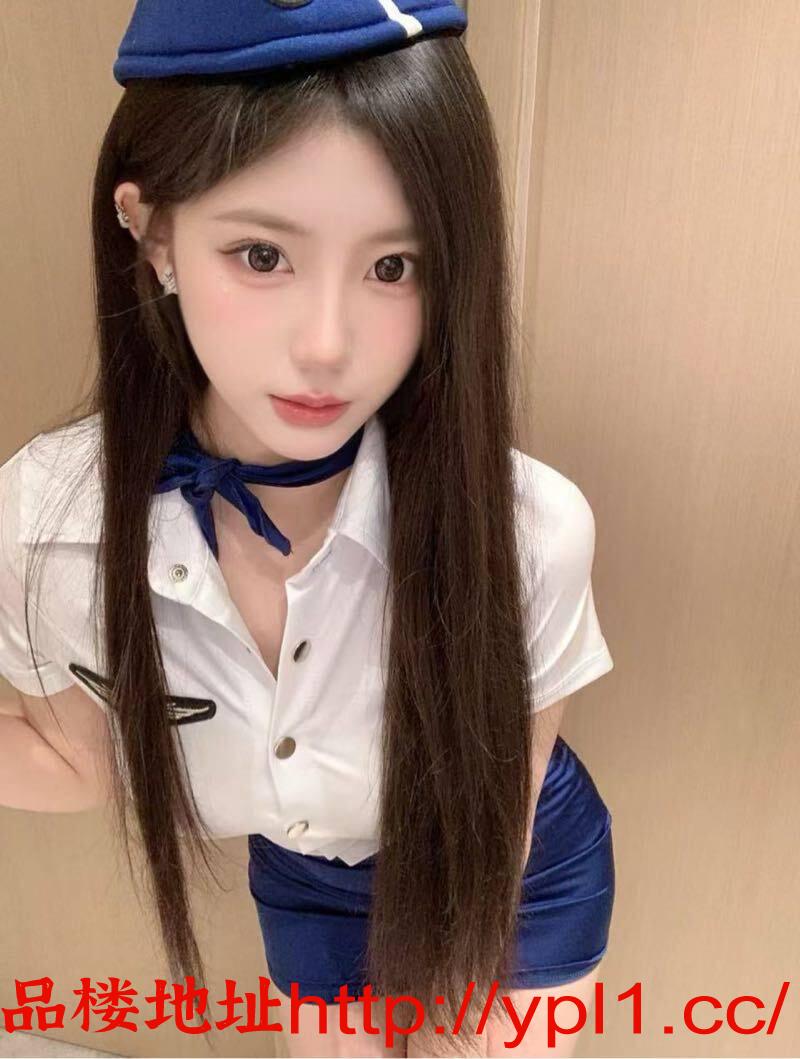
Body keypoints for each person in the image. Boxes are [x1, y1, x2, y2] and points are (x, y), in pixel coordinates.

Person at [0, 2, 616, 1055]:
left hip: (504, 867)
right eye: (261, 254)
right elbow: (78, 759)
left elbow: (506, 790)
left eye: (394, 267)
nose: (328, 346)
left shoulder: (527, 527)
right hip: (304, 875)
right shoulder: (47, 526)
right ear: (153, 234)